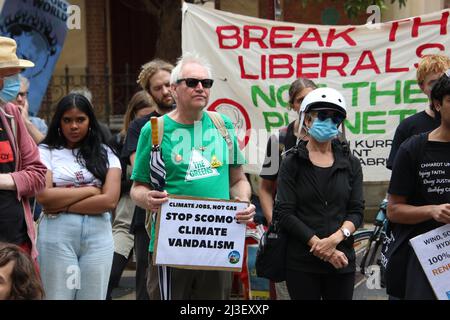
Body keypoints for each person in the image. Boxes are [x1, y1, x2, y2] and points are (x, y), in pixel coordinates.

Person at [130, 52, 256, 300]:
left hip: (216, 247)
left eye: (206, 83)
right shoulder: (155, 130)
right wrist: (148, 199)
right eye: (192, 82)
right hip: (170, 248)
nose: (201, 88)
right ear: (174, 89)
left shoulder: (223, 125)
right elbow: (137, 187)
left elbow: (238, 180)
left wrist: (243, 202)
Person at [274, 87, 364, 300]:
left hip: (341, 261)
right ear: (307, 120)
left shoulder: (351, 164)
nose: (330, 122)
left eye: (336, 118)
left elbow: (357, 211)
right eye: (323, 116)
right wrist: (320, 246)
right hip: (301, 263)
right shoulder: (291, 162)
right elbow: (285, 213)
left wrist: (334, 240)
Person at [35, 93, 122, 300]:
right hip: (57, 234)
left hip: (98, 235)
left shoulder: (106, 153)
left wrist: (61, 203)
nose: (74, 126)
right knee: (58, 296)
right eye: (67, 120)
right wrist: (91, 191)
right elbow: (45, 196)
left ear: (90, 121)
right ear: (59, 122)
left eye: (80, 119)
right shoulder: (45, 151)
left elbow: (109, 201)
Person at [386, 71, 450, 300]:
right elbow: (393, 211)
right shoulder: (413, 149)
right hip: (427, 260)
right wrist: (433, 211)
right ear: (438, 104)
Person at [259, 78, 317, 300]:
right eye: (300, 100)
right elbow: (265, 189)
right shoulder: (280, 140)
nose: (305, 104)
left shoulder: (334, 136)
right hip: (287, 235)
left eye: (310, 98)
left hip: (321, 232)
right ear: (292, 105)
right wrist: (275, 222)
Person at [121, 58, 175, 300]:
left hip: (193, 217)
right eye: (157, 87)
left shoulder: (202, 122)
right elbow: (139, 169)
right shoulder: (142, 126)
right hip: (149, 216)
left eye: (168, 84)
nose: (165, 91)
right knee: (149, 284)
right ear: (149, 93)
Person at [0, 36, 47, 261]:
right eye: (9, 74)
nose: (15, 82)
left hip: (16, 243)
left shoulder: (11, 114)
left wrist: (5, 180)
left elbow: (39, 176)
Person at [106, 90, 156, 299]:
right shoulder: (120, 141)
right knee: (114, 268)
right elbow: (112, 179)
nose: (149, 122)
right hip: (126, 210)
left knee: (148, 269)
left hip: (150, 207)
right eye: (144, 116)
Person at [387, 54, 450, 169]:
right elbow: (399, 175)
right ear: (422, 87)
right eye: (434, 83)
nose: (440, 87)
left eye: (444, 81)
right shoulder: (408, 126)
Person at [13, 74, 48, 144]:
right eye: (15, 94)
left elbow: (46, 148)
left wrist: (26, 121)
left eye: (22, 94)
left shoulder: (39, 124)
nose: (19, 99)